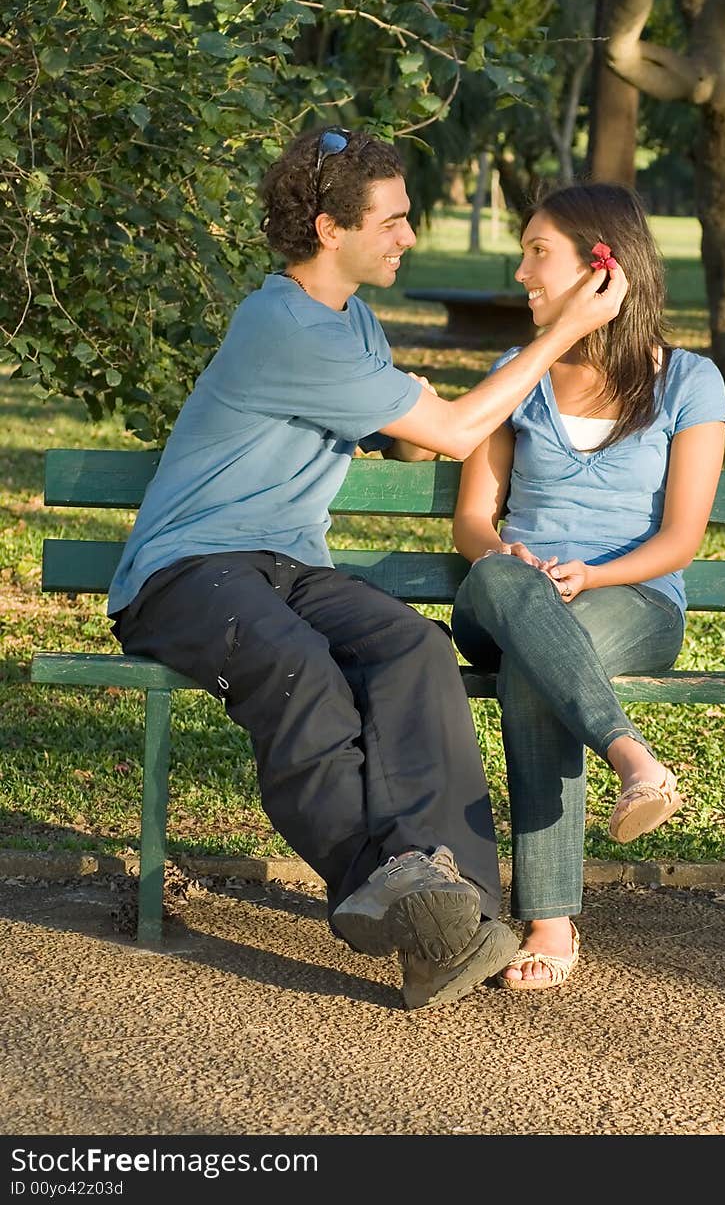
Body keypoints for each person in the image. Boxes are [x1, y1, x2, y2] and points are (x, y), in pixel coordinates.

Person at [107, 127, 627, 1010]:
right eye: (392, 221)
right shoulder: (281, 324)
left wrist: (415, 401)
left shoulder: (353, 324)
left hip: (287, 564)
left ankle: (447, 903)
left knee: (413, 651)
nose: (408, 236)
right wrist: (567, 328)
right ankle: (392, 889)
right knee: (301, 670)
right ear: (327, 229)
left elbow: (404, 421)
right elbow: (459, 432)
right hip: (189, 572)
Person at [450, 182, 725, 993]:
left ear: (602, 267)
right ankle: (630, 754)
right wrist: (511, 556)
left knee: (538, 668)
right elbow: (473, 521)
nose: (522, 269)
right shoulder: (516, 373)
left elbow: (682, 537)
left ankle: (548, 919)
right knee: (514, 596)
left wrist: (594, 572)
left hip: (631, 599)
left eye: (539, 251)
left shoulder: (687, 381)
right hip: (502, 595)